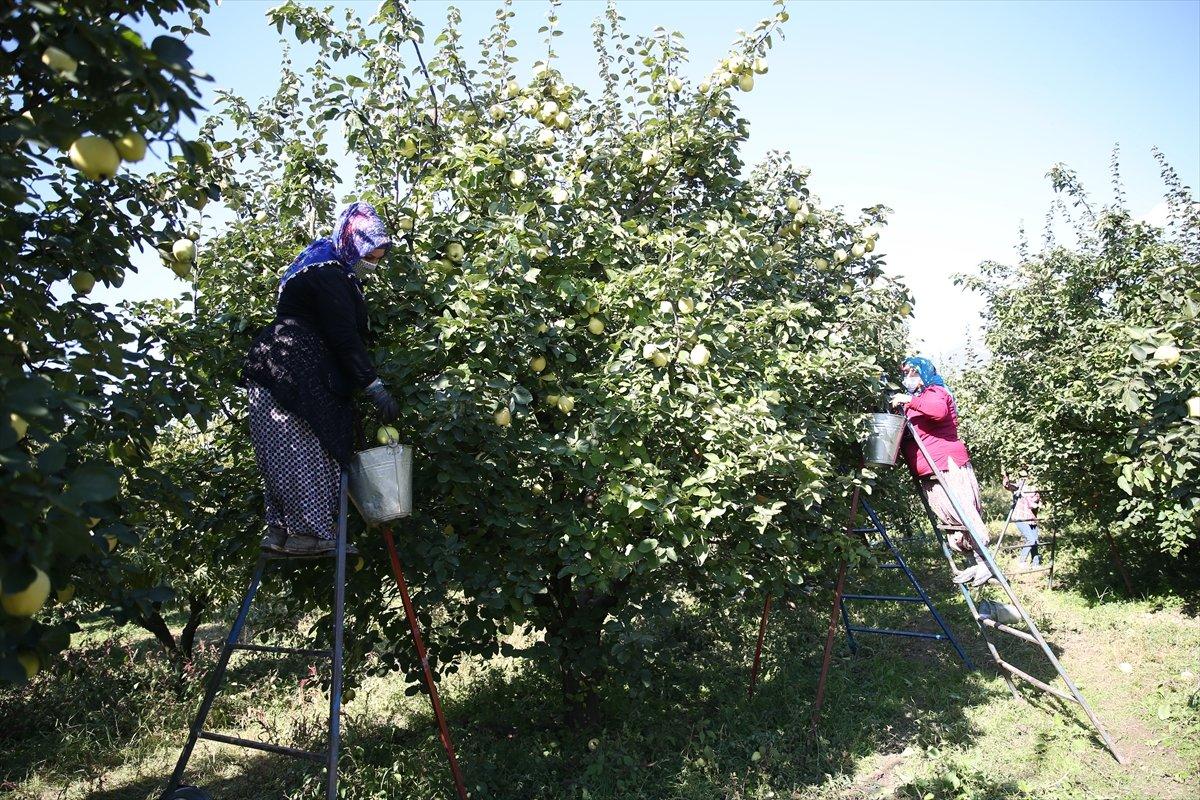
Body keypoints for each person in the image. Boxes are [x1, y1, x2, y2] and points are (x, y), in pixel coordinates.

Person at [242, 202, 400, 556]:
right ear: (352, 243)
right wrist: (374, 387)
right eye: (368, 256)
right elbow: (343, 336)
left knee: (279, 451)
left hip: (271, 366)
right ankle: (310, 533)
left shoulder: (314, 264)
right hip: (297, 372)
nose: (371, 264)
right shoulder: (330, 274)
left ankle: (280, 531)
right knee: (312, 448)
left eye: (377, 258)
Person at [890, 356, 994, 587]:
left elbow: (937, 412)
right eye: (905, 374)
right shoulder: (915, 401)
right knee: (948, 518)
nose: (907, 378)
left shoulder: (936, 392)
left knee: (963, 513)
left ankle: (985, 563)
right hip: (928, 472)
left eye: (912, 373)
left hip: (947, 465)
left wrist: (908, 399)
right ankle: (972, 563)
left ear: (922, 372)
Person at [1004, 468, 1042, 567]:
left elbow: (1037, 504)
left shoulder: (1035, 489)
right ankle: (1022, 561)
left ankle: (1036, 563)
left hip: (1031, 518)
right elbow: (1008, 485)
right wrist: (1006, 475)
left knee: (1035, 540)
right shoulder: (1019, 487)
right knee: (1031, 540)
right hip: (1020, 517)